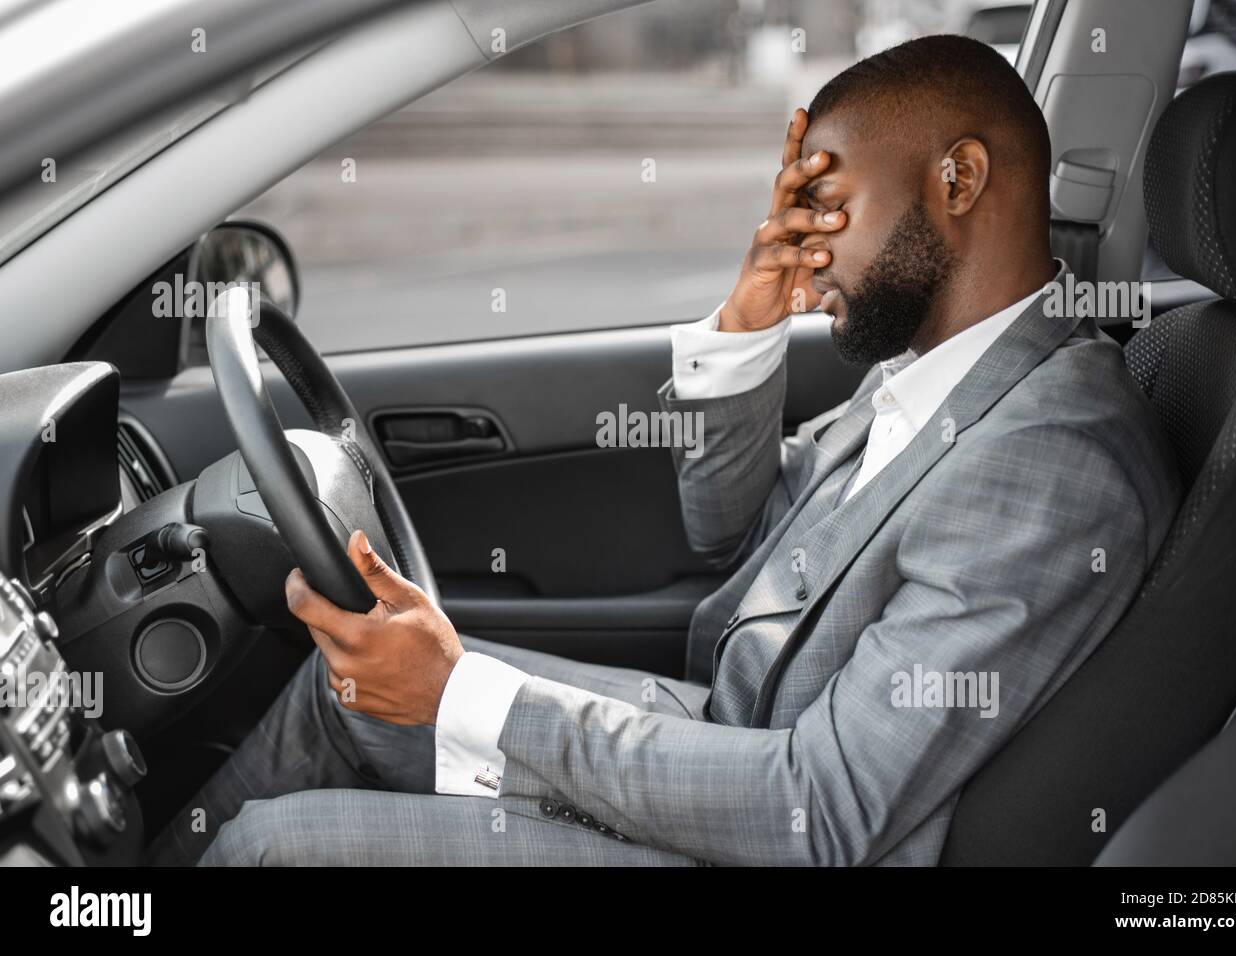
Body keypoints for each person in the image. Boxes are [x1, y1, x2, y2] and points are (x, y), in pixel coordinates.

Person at [151, 34, 1181, 867]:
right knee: (336, 689)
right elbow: (727, 524)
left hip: (771, 823)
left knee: (270, 849)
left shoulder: (1051, 458)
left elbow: (818, 812)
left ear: (957, 179)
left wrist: (465, 694)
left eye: (831, 211)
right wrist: (749, 312)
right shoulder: (942, 368)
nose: (809, 250)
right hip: (729, 742)